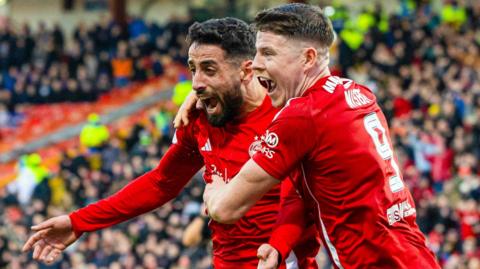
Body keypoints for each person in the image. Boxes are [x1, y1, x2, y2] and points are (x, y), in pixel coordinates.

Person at [22, 17, 320, 269]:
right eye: (193, 69)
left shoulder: (287, 116)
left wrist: (280, 247)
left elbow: (301, 201)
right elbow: (160, 184)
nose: (196, 83)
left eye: (209, 69)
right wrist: (78, 222)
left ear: (245, 70)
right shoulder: (200, 119)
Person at [201, 4, 441, 269]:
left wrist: (214, 188)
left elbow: (225, 209)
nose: (256, 63)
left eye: (268, 53)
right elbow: (303, 193)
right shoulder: (356, 94)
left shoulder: (303, 116)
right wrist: (280, 244)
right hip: (412, 255)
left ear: (308, 58)